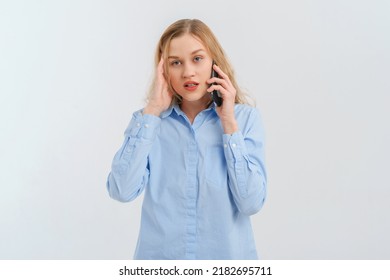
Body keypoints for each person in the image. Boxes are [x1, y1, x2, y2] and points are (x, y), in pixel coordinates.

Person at [106, 19, 267, 260]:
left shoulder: (244, 119)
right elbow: (121, 190)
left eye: (197, 58)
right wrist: (152, 111)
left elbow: (251, 203)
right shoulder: (148, 124)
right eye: (175, 63)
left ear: (215, 62)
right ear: (163, 70)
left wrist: (228, 124)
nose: (188, 72)